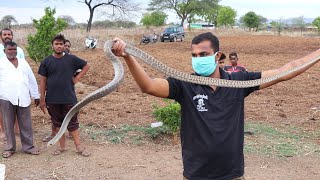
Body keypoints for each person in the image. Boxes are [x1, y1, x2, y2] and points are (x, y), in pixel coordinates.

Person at [111, 32, 320, 179]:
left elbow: (287, 70)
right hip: (196, 173)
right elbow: (148, 86)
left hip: (232, 173)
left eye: (203, 55)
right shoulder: (184, 84)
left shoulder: (239, 82)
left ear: (217, 56)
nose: (198, 59)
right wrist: (128, 57)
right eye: (194, 56)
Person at [38, 34, 90, 157]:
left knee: (73, 123)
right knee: (57, 124)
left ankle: (79, 147)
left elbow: (87, 66)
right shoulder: (46, 61)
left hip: (69, 98)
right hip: (52, 99)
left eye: (61, 44)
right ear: (52, 46)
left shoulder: (71, 59)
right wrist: (42, 99)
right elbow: (43, 81)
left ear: (64, 45)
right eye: (56, 44)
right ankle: (62, 147)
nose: (59, 46)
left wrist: (77, 78)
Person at [0, 41, 40, 158]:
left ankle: (28, 147)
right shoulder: (1, 63)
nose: (12, 52)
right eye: (10, 50)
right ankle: (10, 148)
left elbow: (31, 79)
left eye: (14, 50)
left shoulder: (23, 63)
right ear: (4, 51)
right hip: (6, 97)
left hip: (23, 97)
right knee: (8, 124)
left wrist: (36, 95)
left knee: (26, 124)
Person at [42, 38, 73, 142]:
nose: (66, 47)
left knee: (69, 115)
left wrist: (75, 80)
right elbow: (44, 79)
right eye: (57, 44)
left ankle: (71, 133)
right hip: (53, 94)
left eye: (68, 46)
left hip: (67, 93)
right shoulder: (49, 60)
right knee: (55, 117)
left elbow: (78, 72)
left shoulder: (71, 60)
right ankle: (54, 134)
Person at [0, 28, 25, 139]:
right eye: (4, 34)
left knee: (17, 105)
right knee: (2, 108)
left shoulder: (18, 50)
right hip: (2, 83)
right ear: (0, 36)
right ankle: (3, 130)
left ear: (12, 36)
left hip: (16, 84)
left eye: (9, 34)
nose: (7, 36)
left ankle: (17, 129)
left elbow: (23, 66)